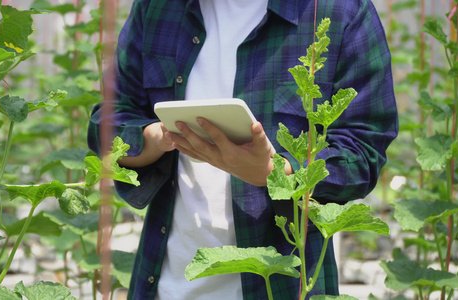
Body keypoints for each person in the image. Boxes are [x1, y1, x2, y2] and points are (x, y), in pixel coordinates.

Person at [88, 0, 398, 298]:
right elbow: (108, 122)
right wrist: (155, 139)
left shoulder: (339, 10)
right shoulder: (158, 6)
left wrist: (277, 173)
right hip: (167, 283)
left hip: (281, 287)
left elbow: (364, 151)